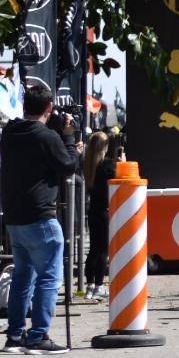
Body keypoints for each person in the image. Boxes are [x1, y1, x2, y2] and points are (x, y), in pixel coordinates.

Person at [1, 85, 79, 354]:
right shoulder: (46, 136)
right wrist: (70, 140)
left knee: (23, 277)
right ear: (49, 108)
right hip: (41, 217)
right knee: (49, 278)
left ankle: (14, 336)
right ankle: (38, 337)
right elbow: (68, 166)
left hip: (15, 218)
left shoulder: (10, 133)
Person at [83, 131, 124, 299]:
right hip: (105, 211)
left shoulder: (88, 165)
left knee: (93, 249)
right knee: (103, 251)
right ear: (104, 147)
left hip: (93, 211)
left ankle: (89, 286)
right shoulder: (107, 165)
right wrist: (122, 163)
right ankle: (99, 286)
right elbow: (120, 178)